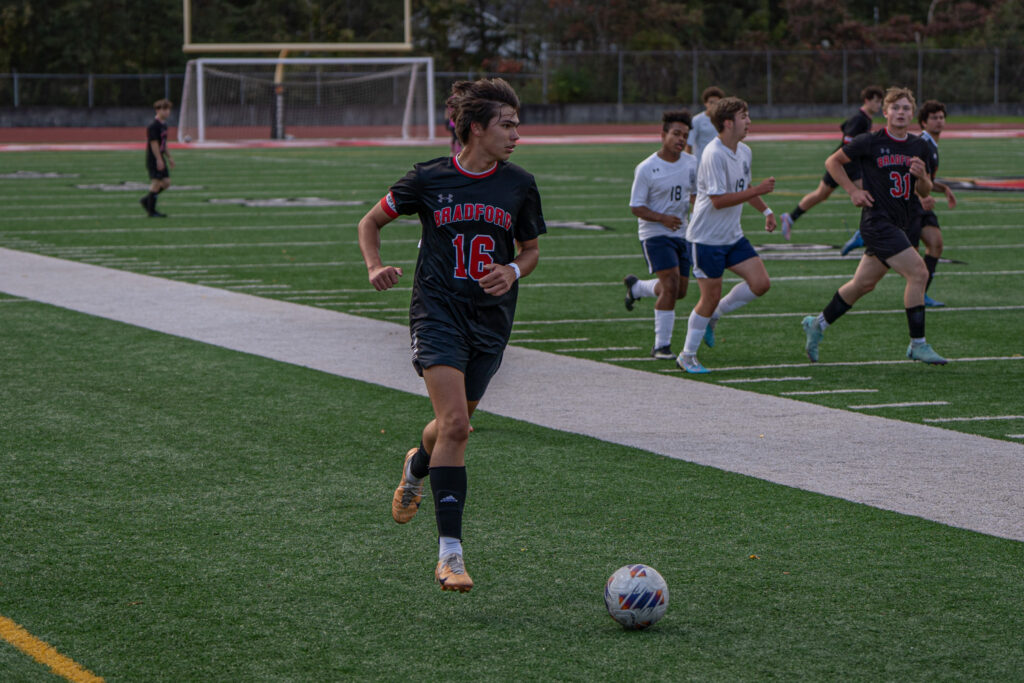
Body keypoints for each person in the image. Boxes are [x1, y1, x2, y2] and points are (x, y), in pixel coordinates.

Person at [357, 78, 545, 592]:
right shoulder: (427, 178)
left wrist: (513, 269)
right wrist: (375, 266)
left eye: (517, 125)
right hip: (437, 314)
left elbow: (530, 250)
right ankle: (450, 557)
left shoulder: (519, 184)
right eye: (507, 125)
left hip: (490, 322)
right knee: (458, 426)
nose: (516, 135)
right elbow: (369, 222)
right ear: (476, 128)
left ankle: (416, 467)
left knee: (448, 430)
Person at [802, 87, 947, 366]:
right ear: (886, 112)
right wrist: (852, 191)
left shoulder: (920, 146)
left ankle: (817, 324)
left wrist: (921, 178)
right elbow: (832, 162)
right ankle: (918, 344)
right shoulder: (870, 141)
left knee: (862, 284)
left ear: (912, 113)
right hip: (877, 222)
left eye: (906, 108)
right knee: (918, 272)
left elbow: (925, 188)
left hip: (901, 223)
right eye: (896, 108)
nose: (901, 112)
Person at [675, 96, 777, 374]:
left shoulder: (744, 151)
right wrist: (758, 192)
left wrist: (765, 209)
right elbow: (719, 200)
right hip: (706, 238)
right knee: (708, 297)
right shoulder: (713, 153)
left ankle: (715, 315)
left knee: (761, 283)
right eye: (744, 117)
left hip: (732, 236)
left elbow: (745, 187)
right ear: (728, 123)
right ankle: (687, 355)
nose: (749, 122)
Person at [622, 110, 698, 359]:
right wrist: (663, 218)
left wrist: (697, 216)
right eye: (676, 133)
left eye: (685, 135)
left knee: (680, 290)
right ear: (663, 134)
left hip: (682, 233)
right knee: (671, 284)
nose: (681, 139)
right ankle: (661, 345)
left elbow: (696, 194)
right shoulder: (646, 168)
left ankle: (637, 288)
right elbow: (636, 206)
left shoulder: (691, 163)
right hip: (654, 233)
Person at [779, 86, 884, 242]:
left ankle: (791, 217)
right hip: (846, 164)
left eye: (880, 102)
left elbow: (843, 126)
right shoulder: (860, 119)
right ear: (867, 101)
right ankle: (867, 232)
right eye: (876, 101)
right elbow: (848, 140)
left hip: (845, 163)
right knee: (871, 194)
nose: (879, 105)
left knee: (822, 194)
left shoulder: (865, 118)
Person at [909, 99, 956, 307]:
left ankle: (922, 295)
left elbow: (927, 178)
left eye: (941, 117)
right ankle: (866, 236)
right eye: (933, 118)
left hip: (920, 204)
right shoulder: (923, 144)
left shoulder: (932, 145)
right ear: (923, 122)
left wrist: (943, 188)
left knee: (935, 244)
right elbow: (914, 177)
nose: (939, 121)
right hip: (912, 205)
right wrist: (922, 196)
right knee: (906, 254)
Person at [140, 99, 174, 218]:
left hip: (160, 157)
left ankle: (146, 200)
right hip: (154, 158)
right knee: (156, 183)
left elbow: (163, 144)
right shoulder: (153, 126)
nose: (167, 112)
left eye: (168, 109)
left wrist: (169, 157)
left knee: (166, 182)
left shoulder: (163, 125)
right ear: (157, 110)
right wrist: (159, 159)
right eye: (164, 109)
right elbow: (154, 144)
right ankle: (151, 211)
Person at [685, 86, 724, 165]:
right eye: (711, 102)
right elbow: (689, 145)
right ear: (705, 103)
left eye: (717, 103)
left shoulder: (724, 120)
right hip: (701, 164)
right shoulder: (697, 120)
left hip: (719, 162)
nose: (714, 105)